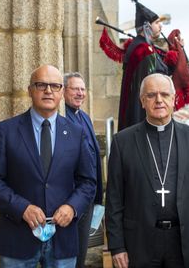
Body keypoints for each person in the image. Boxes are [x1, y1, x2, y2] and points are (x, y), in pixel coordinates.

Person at [0, 65, 96, 267]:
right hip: (18, 237)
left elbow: (88, 182)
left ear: (61, 92)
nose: (48, 90)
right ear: (30, 90)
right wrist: (21, 207)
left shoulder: (77, 133)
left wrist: (72, 207)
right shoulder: (5, 131)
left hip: (63, 238)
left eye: (55, 86)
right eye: (41, 85)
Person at [106, 73, 189, 268]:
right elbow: (114, 199)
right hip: (139, 242)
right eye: (151, 95)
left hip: (184, 240)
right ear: (142, 101)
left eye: (165, 94)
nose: (159, 100)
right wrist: (117, 246)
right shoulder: (122, 142)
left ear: (173, 100)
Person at [63, 72, 103, 268]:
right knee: (68, 255)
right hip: (70, 199)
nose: (80, 93)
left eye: (82, 89)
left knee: (80, 253)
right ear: (63, 91)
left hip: (87, 196)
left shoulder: (84, 117)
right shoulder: (61, 118)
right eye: (75, 89)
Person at [117, 0, 169, 131]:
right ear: (146, 26)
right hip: (141, 115)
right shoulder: (143, 50)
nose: (160, 26)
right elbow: (151, 84)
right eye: (157, 23)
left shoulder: (143, 47)